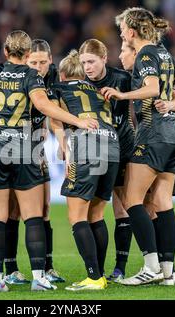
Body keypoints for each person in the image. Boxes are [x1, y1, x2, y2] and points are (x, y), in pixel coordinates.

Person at [0, 30, 98, 292]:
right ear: (27, 55)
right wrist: (78, 121)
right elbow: (44, 106)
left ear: (5, 51)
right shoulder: (31, 76)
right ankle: (38, 276)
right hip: (24, 151)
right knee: (33, 217)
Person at [101, 7, 175, 286]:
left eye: (121, 32)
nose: (121, 38)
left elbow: (153, 88)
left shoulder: (145, 54)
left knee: (132, 200)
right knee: (162, 202)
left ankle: (150, 266)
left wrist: (122, 93)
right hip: (174, 138)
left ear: (131, 31)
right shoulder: (164, 54)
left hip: (152, 135)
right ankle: (169, 272)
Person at [51, 49, 119, 291]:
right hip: (112, 148)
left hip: (87, 148)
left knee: (77, 216)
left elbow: (53, 116)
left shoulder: (59, 88)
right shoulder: (98, 91)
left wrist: (64, 147)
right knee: (97, 215)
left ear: (62, 74)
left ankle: (93, 277)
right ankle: (99, 276)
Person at [4, 39, 65, 285]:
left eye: (42, 62)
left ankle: (47, 267)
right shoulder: (20, 78)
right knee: (13, 210)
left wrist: (60, 141)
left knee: (44, 208)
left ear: (51, 60)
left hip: (37, 147)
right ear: (26, 60)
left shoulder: (54, 81)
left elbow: (53, 114)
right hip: (12, 147)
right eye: (34, 62)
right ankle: (11, 268)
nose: (38, 66)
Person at [79, 39, 135, 282]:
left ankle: (120, 268)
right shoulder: (79, 84)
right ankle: (97, 271)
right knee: (93, 209)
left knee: (123, 206)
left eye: (91, 62)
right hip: (93, 151)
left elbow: (151, 96)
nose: (87, 68)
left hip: (122, 149)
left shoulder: (122, 79)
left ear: (104, 58)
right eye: (83, 63)